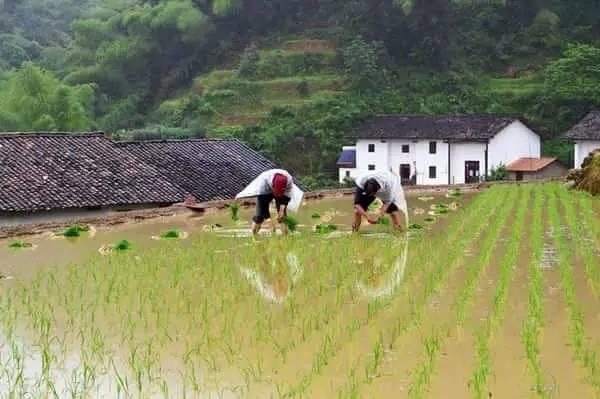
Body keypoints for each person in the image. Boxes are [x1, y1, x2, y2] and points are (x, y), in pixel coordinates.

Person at [236, 169, 303, 236]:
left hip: (281, 190)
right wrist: (268, 220)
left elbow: (286, 198)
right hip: (265, 190)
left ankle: (285, 237)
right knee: (259, 217)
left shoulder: (288, 181)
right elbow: (263, 206)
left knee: (282, 217)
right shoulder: (263, 184)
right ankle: (255, 236)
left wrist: (282, 210)